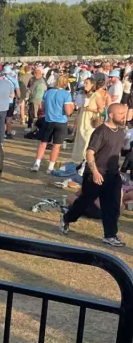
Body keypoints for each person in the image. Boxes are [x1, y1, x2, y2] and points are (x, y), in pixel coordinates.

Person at [60, 102, 128, 248]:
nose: (124, 117)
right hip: (96, 175)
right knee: (84, 202)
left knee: (112, 206)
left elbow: (116, 152)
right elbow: (90, 153)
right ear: (111, 115)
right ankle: (67, 218)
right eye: (120, 114)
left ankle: (110, 236)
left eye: (124, 113)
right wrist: (95, 172)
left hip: (113, 176)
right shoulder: (101, 131)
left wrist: (119, 172)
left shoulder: (121, 132)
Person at [31, 74, 75, 175]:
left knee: (43, 143)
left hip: (48, 120)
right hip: (61, 122)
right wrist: (72, 107)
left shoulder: (48, 92)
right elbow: (68, 112)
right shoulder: (66, 94)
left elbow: (43, 107)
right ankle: (50, 167)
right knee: (56, 145)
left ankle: (37, 164)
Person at [71, 78, 109, 173]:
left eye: (87, 83)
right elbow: (79, 109)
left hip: (90, 121)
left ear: (92, 84)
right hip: (82, 120)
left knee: (87, 141)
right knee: (80, 142)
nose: (85, 85)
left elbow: (101, 110)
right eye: (84, 83)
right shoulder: (83, 94)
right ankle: (81, 163)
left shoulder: (97, 96)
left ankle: (85, 164)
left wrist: (90, 109)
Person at [0, 68, 16, 144]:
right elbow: (12, 96)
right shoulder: (9, 83)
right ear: (3, 76)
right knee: (1, 124)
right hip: (4, 107)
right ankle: (1, 141)